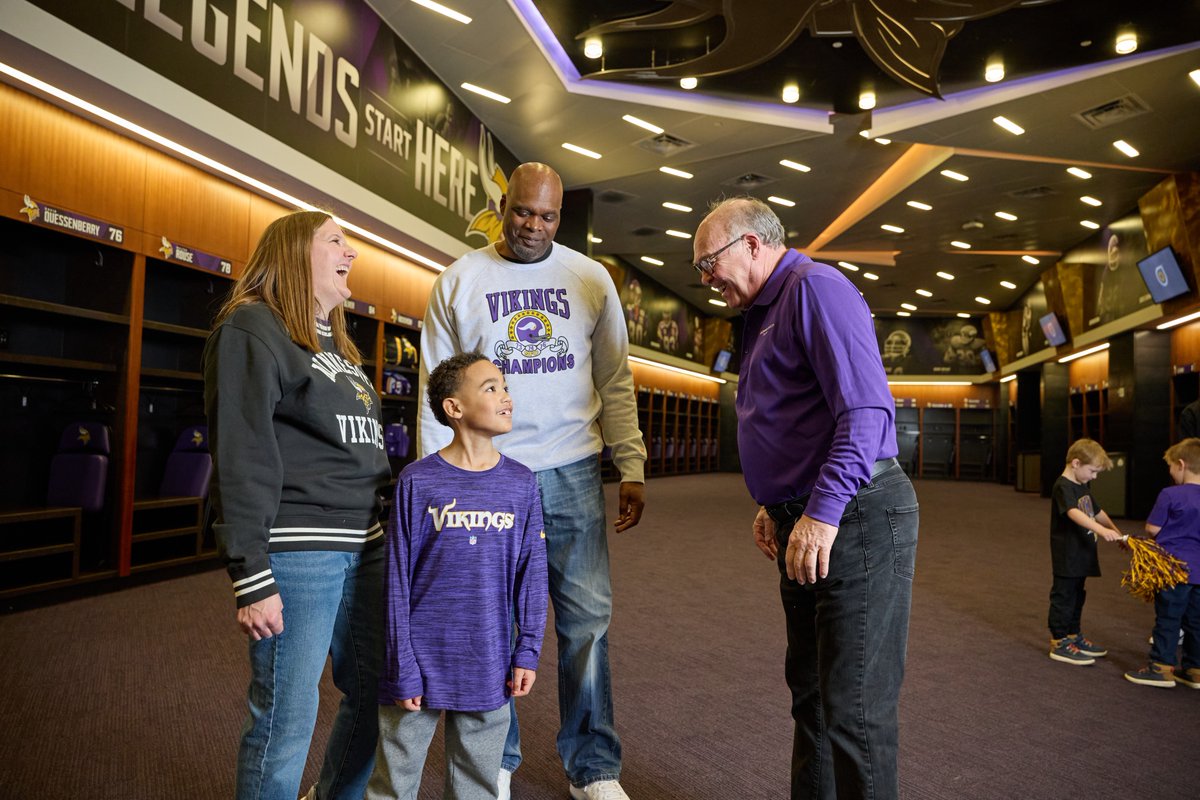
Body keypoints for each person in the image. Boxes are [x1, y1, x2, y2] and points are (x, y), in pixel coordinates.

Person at [417, 162, 647, 800]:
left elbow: (615, 379)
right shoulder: (460, 281)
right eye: (523, 212)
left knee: (587, 621)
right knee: (491, 618)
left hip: (573, 464)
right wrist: (436, 480)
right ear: (504, 204)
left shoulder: (589, 278)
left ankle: (594, 768)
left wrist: (631, 463)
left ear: (561, 217)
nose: (533, 227)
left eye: (547, 216)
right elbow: (437, 392)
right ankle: (495, 759)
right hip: (489, 471)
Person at [692, 196, 917, 800]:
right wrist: (777, 502)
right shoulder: (764, 308)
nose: (706, 278)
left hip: (855, 516)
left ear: (752, 245)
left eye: (709, 261)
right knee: (813, 697)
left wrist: (819, 512)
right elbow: (792, 414)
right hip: (807, 516)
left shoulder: (815, 288)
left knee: (855, 708)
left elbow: (865, 414)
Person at [203, 210, 391, 800]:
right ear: (293, 254)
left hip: (367, 544)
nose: (352, 253)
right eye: (336, 241)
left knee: (373, 692)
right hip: (301, 547)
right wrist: (250, 575)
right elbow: (242, 453)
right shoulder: (252, 328)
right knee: (287, 715)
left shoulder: (336, 341)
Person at [367, 352, 548, 798]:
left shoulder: (521, 483)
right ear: (454, 408)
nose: (506, 396)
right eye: (491, 388)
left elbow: (532, 574)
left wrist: (526, 650)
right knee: (394, 782)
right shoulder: (417, 481)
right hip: (417, 661)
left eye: (505, 387)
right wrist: (401, 665)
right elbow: (396, 583)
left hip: (488, 660)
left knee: (477, 786)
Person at [1123, 438, 1200, 688]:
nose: (1170, 472)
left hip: (1173, 570)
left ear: (1181, 464)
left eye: (1170, 467)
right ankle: (1194, 669)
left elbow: (1153, 529)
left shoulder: (1170, 494)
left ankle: (1161, 668)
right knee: (1196, 622)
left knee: (1168, 619)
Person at [1046, 438, 1125, 666]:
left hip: (1083, 552)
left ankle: (1073, 636)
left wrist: (1115, 531)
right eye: (1092, 471)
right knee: (1064, 597)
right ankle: (1059, 642)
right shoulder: (1063, 486)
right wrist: (1100, 530)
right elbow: (1073, 512)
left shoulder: (1082, 485)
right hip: (1067, 554)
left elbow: (1096, 510)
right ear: (1076, 463)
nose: (1094, 477)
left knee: (1078, 596)